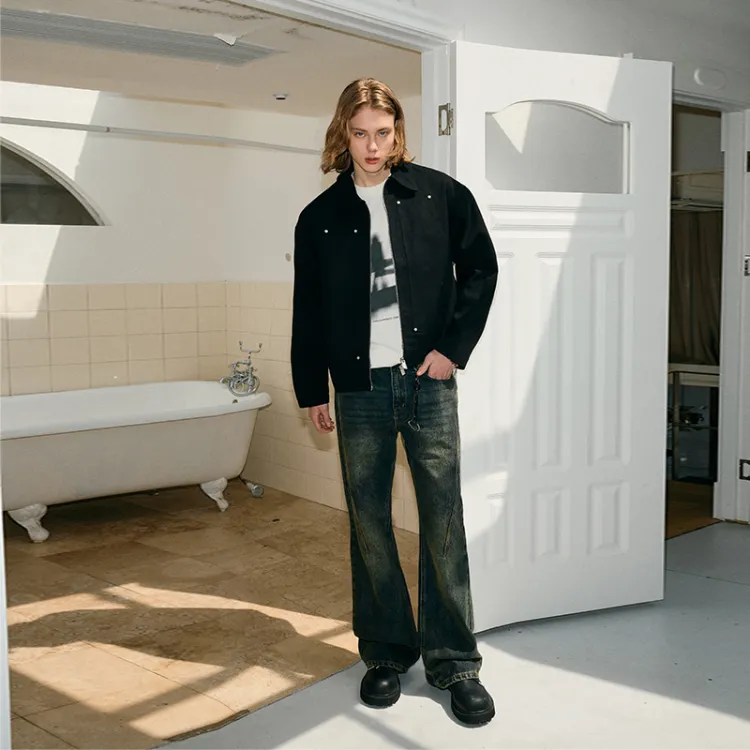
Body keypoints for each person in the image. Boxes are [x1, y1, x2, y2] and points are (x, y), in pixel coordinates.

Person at [290, 78, 498, 726]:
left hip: (428, 384)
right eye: (360, 133)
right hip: (359, 390)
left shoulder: (440, 195)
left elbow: (482, 269)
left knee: (443, 525)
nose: (372, 146)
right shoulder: (320, 217)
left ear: (398, 132)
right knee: (370, 526)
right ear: (343, 135)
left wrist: (453, 349)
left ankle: (455, 663)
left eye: (382, 133)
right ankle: (385, 653)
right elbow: (308, 309)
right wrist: (310, 388)